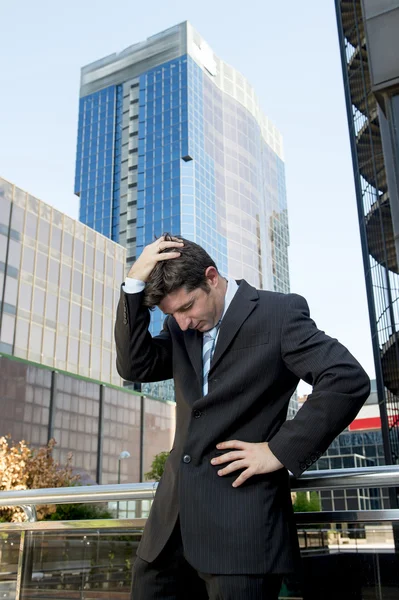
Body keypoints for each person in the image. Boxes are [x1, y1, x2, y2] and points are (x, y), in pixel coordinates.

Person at [114, 234, 370, 600]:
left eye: (187, 307)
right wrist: (134, 283)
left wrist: (279, 450)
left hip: (240, 532)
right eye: (173, 315)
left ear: (212, 277)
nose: (183, 323)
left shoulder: (278, 314)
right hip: (168, 532)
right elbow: (135, 364)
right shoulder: (181, 328)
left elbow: (345, 378)